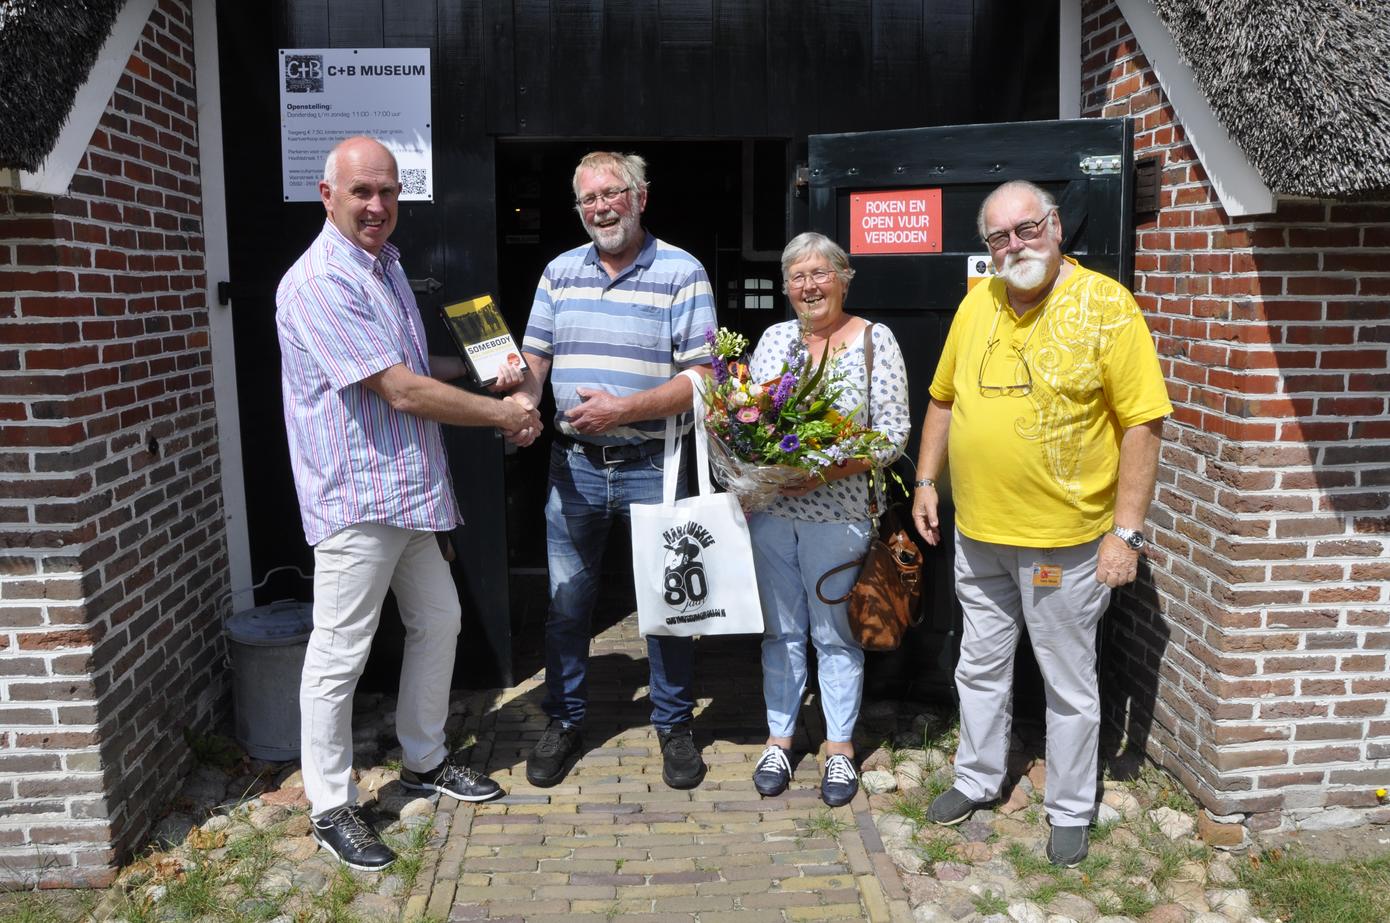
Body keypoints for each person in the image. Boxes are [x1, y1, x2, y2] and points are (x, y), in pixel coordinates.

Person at [276, 136, 542, 871]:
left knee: (440, 620)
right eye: (362, 191)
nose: (377, 205)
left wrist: (491, 373)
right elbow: (395, 390)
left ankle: (423, 760)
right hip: (357, 497)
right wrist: (503, 416)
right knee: (339, 654)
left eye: (388, 191)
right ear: (327, 195)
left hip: (410, 490)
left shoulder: (385, 265)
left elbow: (416, 368)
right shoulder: (319, 282)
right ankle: (331, 805)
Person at [911, 180, 1171, 867]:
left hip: (1066, 542)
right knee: (980, 663)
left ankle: (1069, 806)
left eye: (1026, 229)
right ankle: (977, 777)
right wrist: (926, 480)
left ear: (1056, 226)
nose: (1014, 245)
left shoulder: (1107, 306)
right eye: (999, 237)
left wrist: (1128, 531)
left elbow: (1143, 423)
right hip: (979, 535)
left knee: (1067, 677)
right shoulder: (978, 304)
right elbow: (941, 400)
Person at [494, 151, 717, 790]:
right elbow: (534, 358)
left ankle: (674, 725)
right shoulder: (560, 272)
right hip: (575, 468)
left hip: (655, 463)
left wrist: (625, 408)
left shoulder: (682, 271)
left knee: (666, 605)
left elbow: (704, 377)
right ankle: (565, 720)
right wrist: (521, 404)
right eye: (589, 199)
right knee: (568, 606)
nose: (601, 207)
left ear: (641, 197)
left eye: (613, 193)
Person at [746, 232, 910, 807]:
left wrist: (827, 470)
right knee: (781, 631)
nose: (809, 286)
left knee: (835, 634)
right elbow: (749, 419)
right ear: (787, 286)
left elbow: (891, 434)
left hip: (837, 514)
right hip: (771, 513)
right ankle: (780, 738)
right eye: (798, 277)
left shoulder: (873, 341)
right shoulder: (772, 340)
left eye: (820, 274)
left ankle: (839, 747)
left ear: (843, 278)